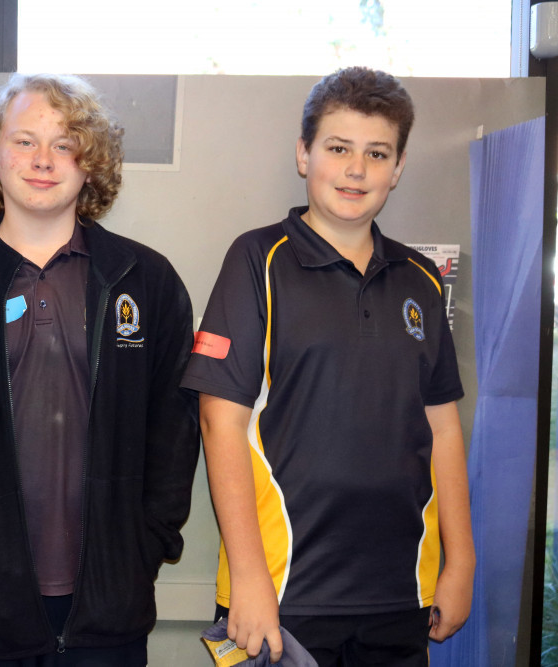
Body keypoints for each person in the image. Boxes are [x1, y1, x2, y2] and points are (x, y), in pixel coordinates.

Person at [0, 73, 200, 665]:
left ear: (91, 162)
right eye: (25, 140)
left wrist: (144, 548)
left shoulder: (146, 281)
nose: (43, 160)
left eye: (65, 143)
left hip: (109, 612)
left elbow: (175, 431)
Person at [181, 66, 475, 666]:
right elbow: (220, 422)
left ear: (397, 169)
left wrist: (461, 562)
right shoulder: (257, 260)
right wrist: (249, 580)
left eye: (376, 153)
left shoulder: (420, 278)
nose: (356, 169)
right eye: (338, 148)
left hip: (400, 592)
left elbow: (442, 426)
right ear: (304, 154)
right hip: (284, 594)